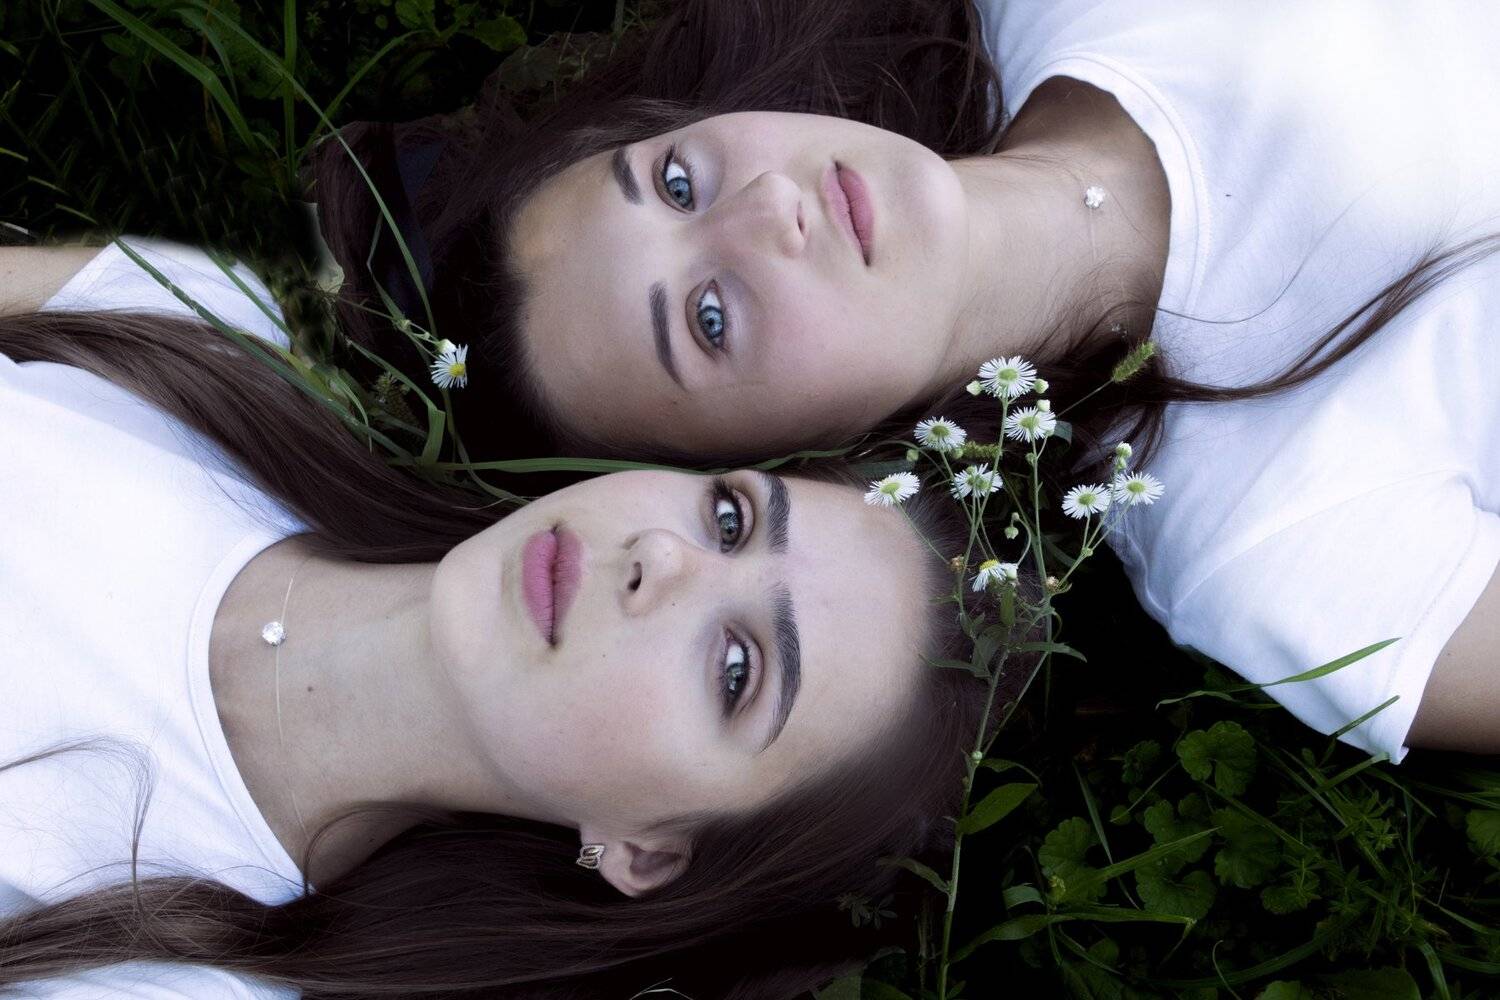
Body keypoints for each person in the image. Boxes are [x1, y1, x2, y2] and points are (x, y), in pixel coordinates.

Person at [309, 0, 1500, 762]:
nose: (763, 211)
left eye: (675, 183)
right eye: (709, 320)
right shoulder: (1268, 545)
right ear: (790, 468)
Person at [0, 239, 1004, 998]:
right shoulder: (214, 333)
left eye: (737, 669)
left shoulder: (163, 974)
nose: (662, 558)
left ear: (645, 848)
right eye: (730, 518)